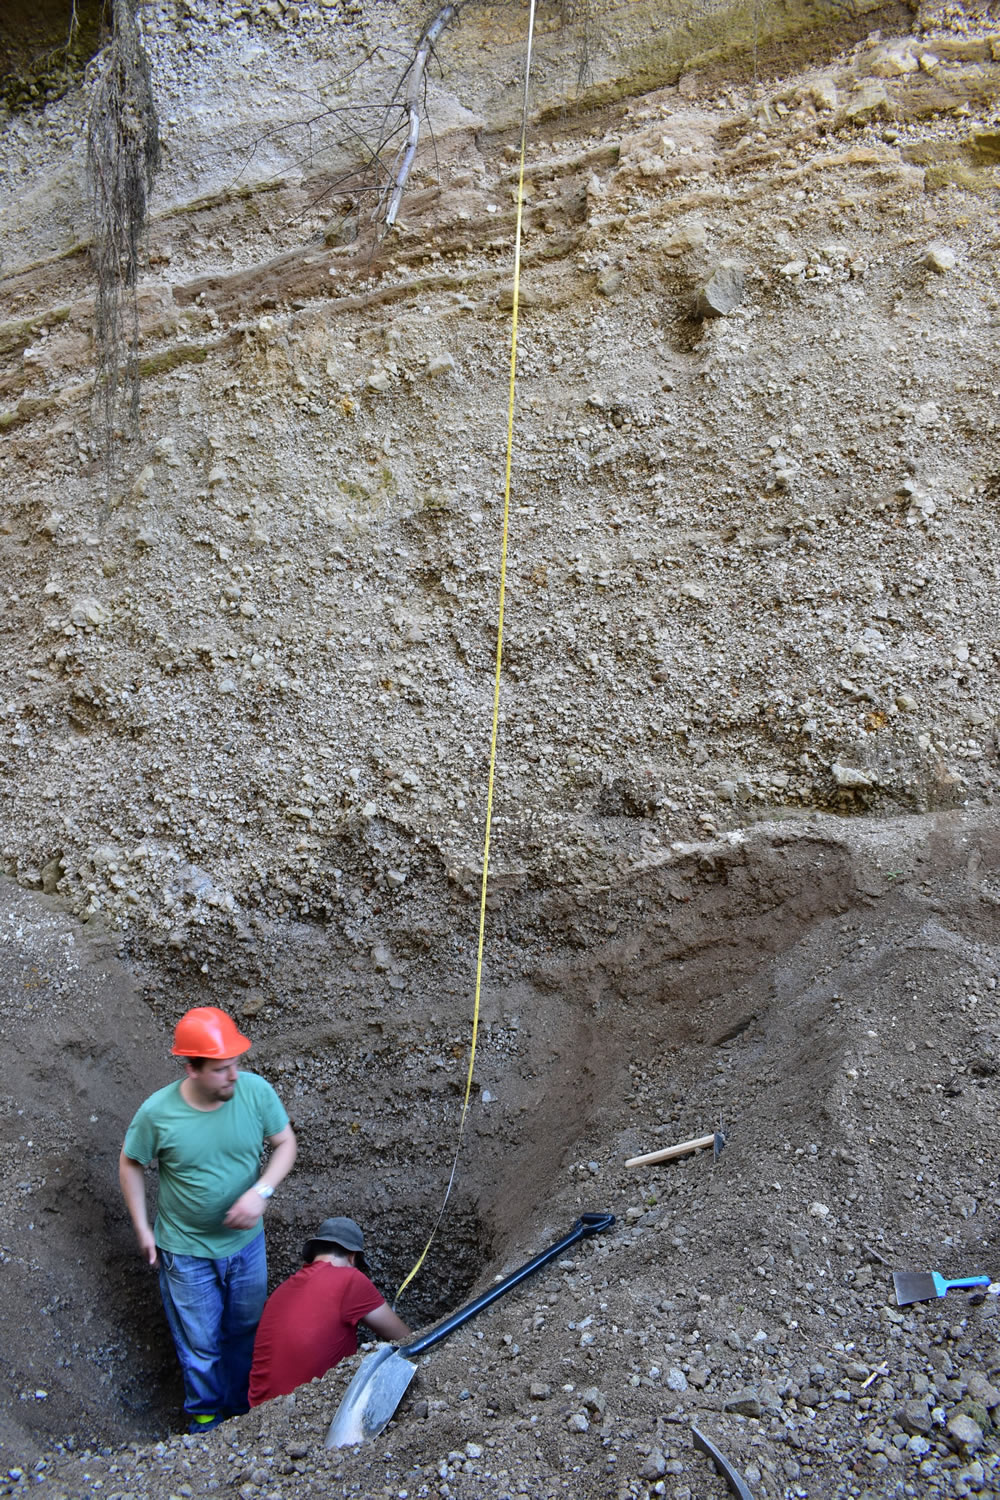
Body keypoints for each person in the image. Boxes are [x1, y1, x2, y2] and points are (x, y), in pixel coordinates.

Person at [119, 1006, 297, 1433]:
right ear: (192, 1068)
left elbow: (285, 1143)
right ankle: (205, 1420)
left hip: (247, 1245)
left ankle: (241, 1411)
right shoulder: (157, 1114)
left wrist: (261, 1192)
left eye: (236, 1064)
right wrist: (143, 1227)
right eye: (221, 1069)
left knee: (245, 1330)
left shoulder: (255, 1092)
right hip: (186, 1252)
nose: (233, 1076)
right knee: (202, 1343)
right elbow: (130, 1164)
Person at [248, 1216, 410, 1405]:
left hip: (258, 1416)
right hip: (303, 1414)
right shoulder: (351, 1279)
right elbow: (406, 1339)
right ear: (352, 1257)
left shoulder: (280, 1291)